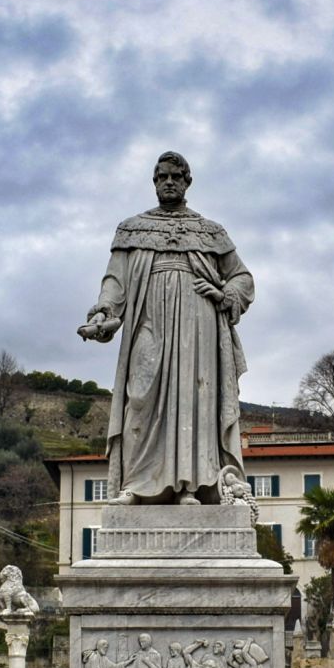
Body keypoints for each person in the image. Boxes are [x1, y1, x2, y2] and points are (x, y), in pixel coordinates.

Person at [78, 152, 254, 504]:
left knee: (194, 400)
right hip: (149, 320)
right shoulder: (133, 228)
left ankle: (190, 485)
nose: (169, 182)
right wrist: (104, 312)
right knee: (139, 397)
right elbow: (115, 279)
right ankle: (137, 485)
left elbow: (243, 278)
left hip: (198, 326)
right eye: (162, 177)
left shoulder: (211, 232)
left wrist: (225, 293)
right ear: (154, 182)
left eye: (176, 176)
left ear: (188, 181)